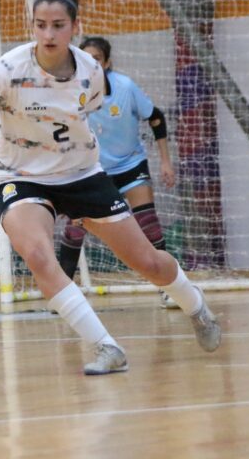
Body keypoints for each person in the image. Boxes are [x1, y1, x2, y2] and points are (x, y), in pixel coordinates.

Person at [0, 0, 220, 375]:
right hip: (19, 177)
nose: (48, 34)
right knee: (39, 255)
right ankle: (106, 347)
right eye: (40, 25)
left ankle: (196, 305)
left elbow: (88, 116)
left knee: (148, 262)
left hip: (81, 175)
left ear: (74, 26)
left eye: (58, 25)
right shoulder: (6, 70)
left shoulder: (92, 72)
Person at [57, 36, 179, 309]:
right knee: (75, 229)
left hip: (130, 165)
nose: (91, 64)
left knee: (149, 224)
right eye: (86, 59)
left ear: (107, 63)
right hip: (92, 171)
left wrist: (166, 162)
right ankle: (63, 298)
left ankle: (171, 288)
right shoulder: (70, 91)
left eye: (96, 59)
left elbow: (156, 117)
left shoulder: (125, 87)